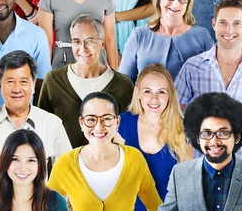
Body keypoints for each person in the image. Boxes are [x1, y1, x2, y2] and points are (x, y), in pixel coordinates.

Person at [47, 92, 162, 210]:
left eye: (106, 119)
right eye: (91, 119)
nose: (98, 127)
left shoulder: (134, 158)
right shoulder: (66, 163)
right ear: (81, 122)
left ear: (117, 121)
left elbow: (156, 206)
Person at [0, 51, 71, 179]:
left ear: (33, 85)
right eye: (10, 82)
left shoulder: (52, 123)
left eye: (23, 82)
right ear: (0, 85)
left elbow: (67, 174)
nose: (17, 89)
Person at [38, 14, 134, 147]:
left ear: (102, 43)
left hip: (108, 165)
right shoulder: (53, 81)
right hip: (63, 165)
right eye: (76, 41)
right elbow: (41, 130)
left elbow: (131, 134)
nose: (83, 48)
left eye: (89, 41)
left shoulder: (123, 85)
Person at [116, 64, 188, 210]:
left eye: (161, 92)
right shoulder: (120, 124)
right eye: (148, 91)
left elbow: (190, 184)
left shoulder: (184, 128)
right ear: (137, 92)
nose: (154, 99)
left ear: (170, 95)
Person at [119, 0, 215, 81]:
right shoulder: (139, 34)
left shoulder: (202, 35)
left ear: (188, 4)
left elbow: (213, 79)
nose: (175, 3)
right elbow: (124, 82)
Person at [160, 92, 242, 210]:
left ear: (236, 137)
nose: (214, 141)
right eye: (207, 133)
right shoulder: (179, 174)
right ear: (197, 138)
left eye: (223, 133)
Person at [176, 0, 242, 109]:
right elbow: (174, 114)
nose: (229, 30)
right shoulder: (192, 66)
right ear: (213, 24)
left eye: (237, 23)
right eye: (223, 22)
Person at [0, 129, 68, 211]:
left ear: (40, 164)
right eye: (15, 159)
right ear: (5, 161)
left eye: (31, 160)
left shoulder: (56, 202)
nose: (22, 168)